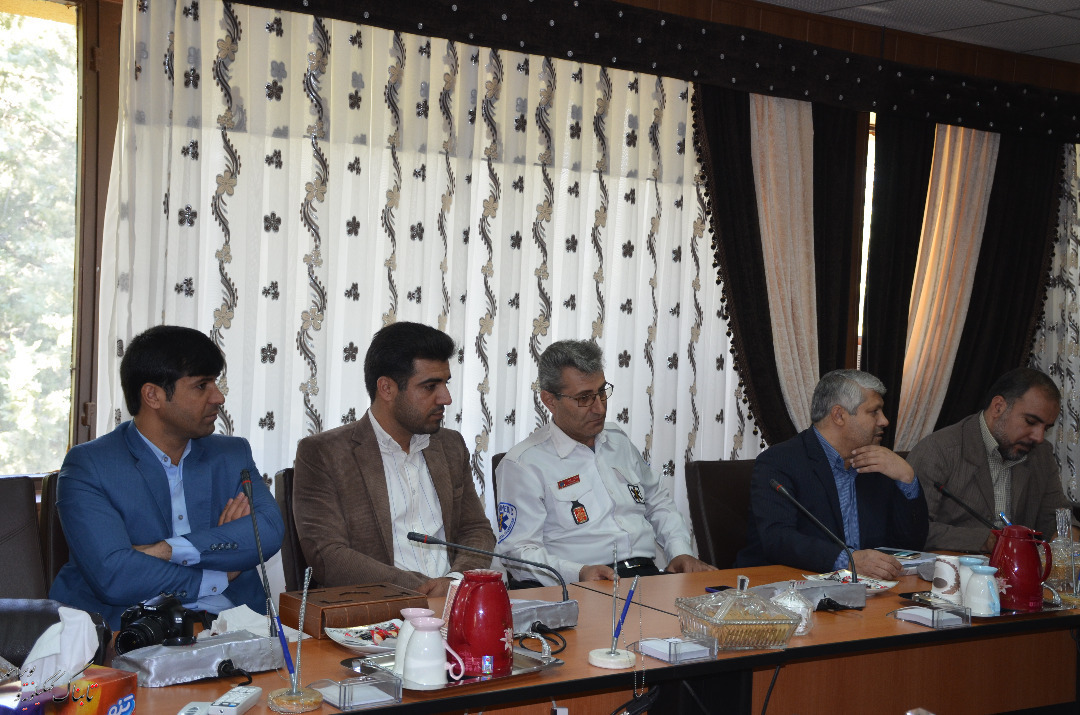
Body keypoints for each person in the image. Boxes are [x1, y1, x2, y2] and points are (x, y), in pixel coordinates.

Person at [49, 325, 284, 627]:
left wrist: (166, 550)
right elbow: (114, 575)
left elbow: (268, 531)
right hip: (132, 631)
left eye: (215, 382)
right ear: (153, 395)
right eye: (202, 385)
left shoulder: (232, 454)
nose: (218, 397)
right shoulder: (90, 465)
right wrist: (220, 571)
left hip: (233, 623)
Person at [292, 322, 494, 596]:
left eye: (445, 383)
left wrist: (455, 580)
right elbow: (327, 555)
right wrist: (422, 589)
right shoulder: (324, 453)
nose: (445, 398)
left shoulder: (450, 445)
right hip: (378, 610)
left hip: (453, 601)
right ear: (386, 388)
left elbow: (476, 529)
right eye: (430, 386)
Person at [496, 339, 714, 586]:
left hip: (646, 576)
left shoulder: (617, 440)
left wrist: (679, 551)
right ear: (550, 400)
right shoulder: (523, 464)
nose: (599, 408)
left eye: (601, 392)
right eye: (584, 398)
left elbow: (657, 502)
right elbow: (518, 551)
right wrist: (578, 572)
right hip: (579, 585)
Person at [736, 369, 928, 580]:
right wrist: (848, 560)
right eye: (874, 412)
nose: (884, 421)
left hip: (871, 589)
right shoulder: (780, 462)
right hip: (789, 586)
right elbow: (778, 539)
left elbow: (911, 545)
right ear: (839, 415)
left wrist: (907, 479)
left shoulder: (879, 464)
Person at [908, 367, 1071, 552]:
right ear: (998, 407)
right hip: (953, 566)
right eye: (1030, 422)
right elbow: (911, 528)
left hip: (1017, 567)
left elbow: (1056, 518)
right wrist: (986, 541)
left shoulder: (1040, 454)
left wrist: (1067, 538)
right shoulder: (938, 450)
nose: (1039, 437)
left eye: (1046, 428)